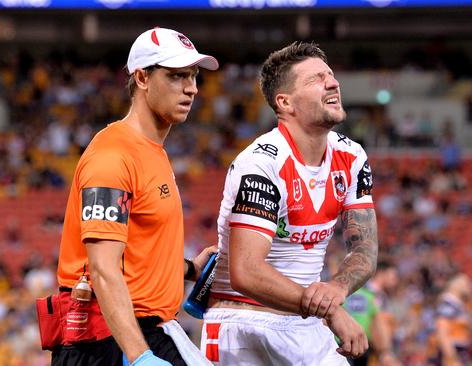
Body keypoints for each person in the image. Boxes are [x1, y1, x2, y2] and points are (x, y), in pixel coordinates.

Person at [200, 42, 378, 365]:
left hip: (307, 322)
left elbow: (365, 250)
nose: (332, 83)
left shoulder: (352, 157)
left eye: (330, 75)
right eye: (315, 79)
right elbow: (246, 272)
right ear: (285, 102)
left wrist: (336, 290)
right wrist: (329, 310)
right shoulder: (262, 164)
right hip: (243, 324)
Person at [52, 27, 219, 366]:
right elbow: (103, 269)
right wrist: (139, 356)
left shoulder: (151, 151)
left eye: (193, 76)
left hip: (142, 332)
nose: (191, 88)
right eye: (176, 76)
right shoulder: (112, 157)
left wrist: (188, 269)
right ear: (142, 78)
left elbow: (134, 253)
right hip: (110, 341)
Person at [344, 261, 401, 366]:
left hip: (356, 346)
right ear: (382, 273)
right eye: (393, 277)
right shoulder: (370, 295)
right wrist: (385, 351)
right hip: (359, 346)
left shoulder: (359, 289)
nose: (395, 281)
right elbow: (377, 325)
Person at [433, 274, 472, 366]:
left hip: (458, 353)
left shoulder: (457, 305)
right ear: (455, 284)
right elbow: (442, 333)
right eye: (466, 282)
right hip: (450, 355)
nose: (469, 285)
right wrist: (452, 358)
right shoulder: (449, 305)